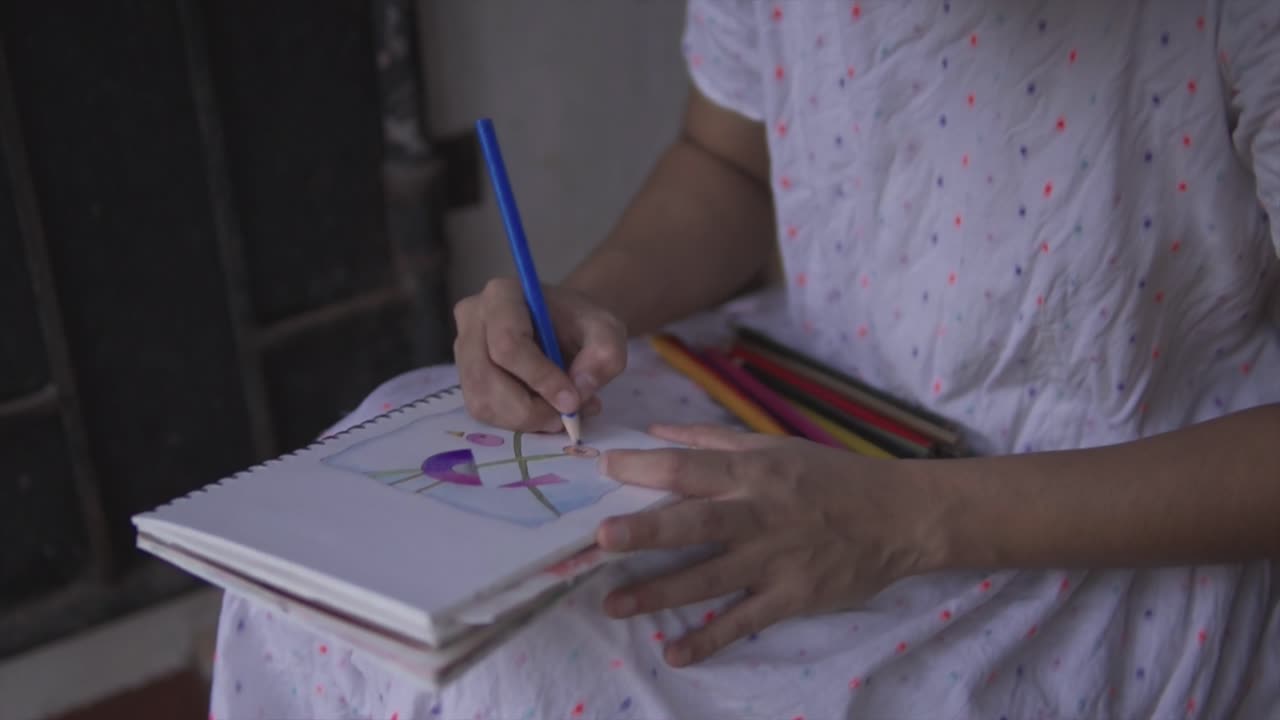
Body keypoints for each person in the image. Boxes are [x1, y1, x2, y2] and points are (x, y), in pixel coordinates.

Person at [211, 1, 1280, 717]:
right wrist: (588, 306)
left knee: (538, 680)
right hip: (795, 384)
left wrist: (903, 524)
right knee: (334, 569)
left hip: (1087, 506)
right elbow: (727, 163)